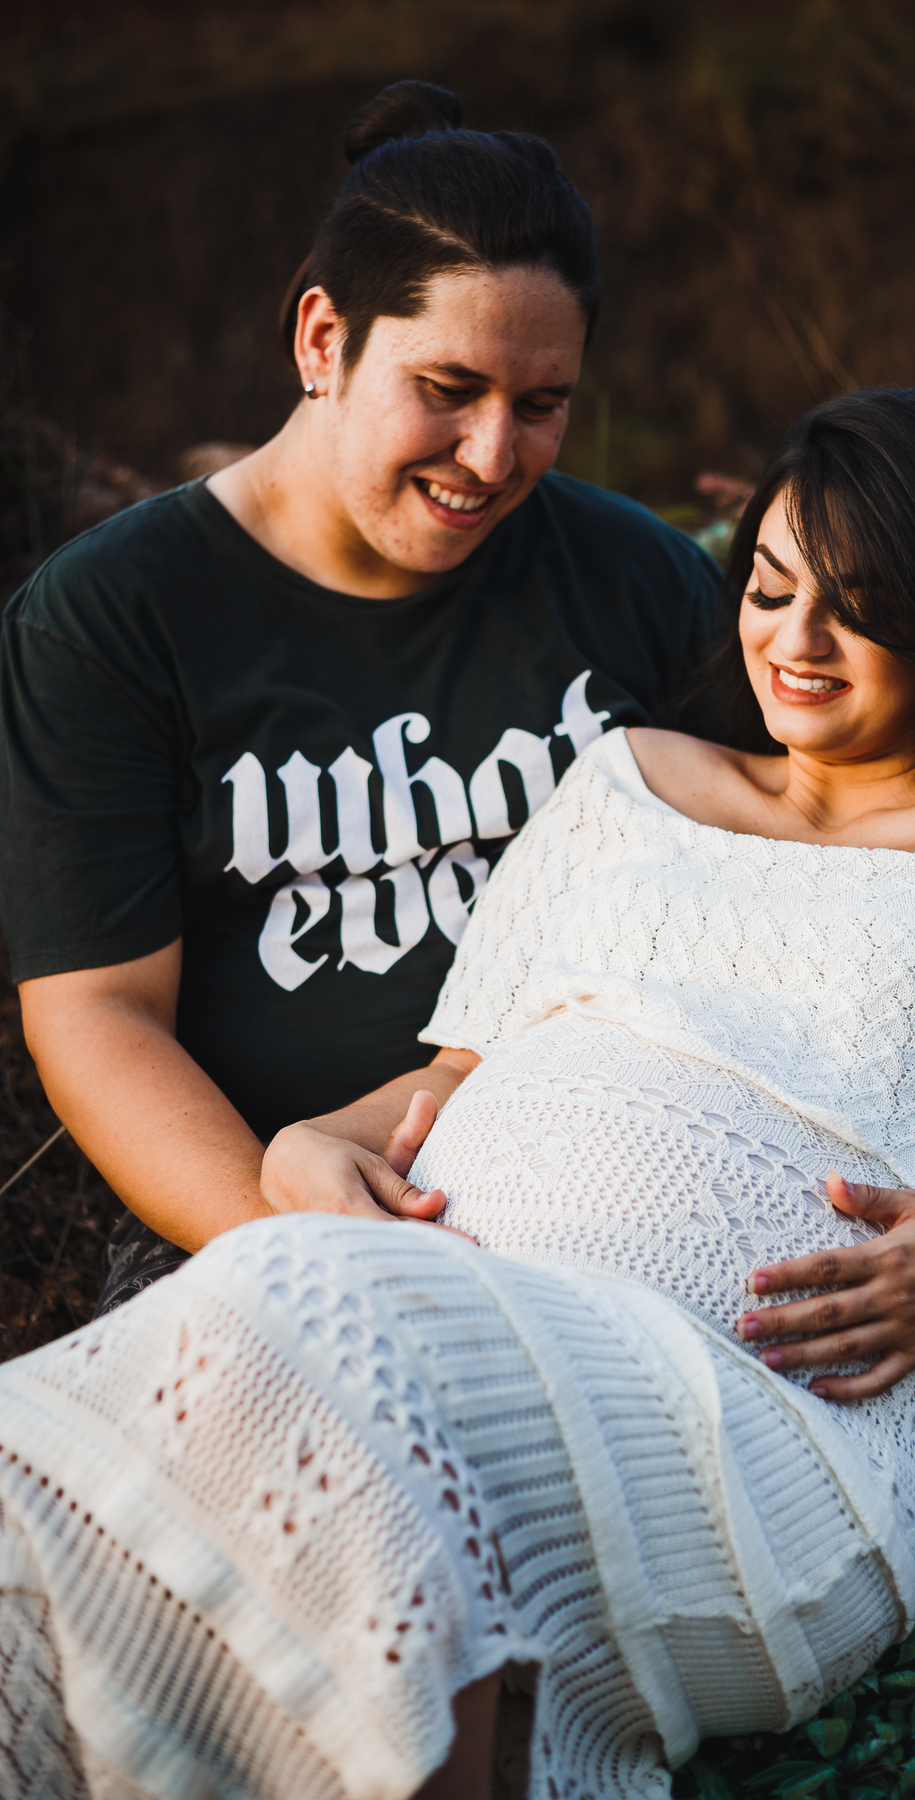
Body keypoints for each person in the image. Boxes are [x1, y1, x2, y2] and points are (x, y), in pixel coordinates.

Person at [2, 388, 915, 1800]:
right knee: (71, 1449)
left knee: (332, 1331)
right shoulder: (633, 776)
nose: (794, 643)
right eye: (768, 587)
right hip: (464, 1323)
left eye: (857, 609)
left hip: (770, 1434)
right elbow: (462, 1073)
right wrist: (314, 1146)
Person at [0, 79, 723, 1313]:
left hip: (632, 1179)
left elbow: (832, 812)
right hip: (260, 1212)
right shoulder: (111, 620)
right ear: (322, 340)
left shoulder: (636, 576)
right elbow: (103, 1020)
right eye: (448, 389)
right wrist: (293, 1249)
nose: (494, 458)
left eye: (541, 406)